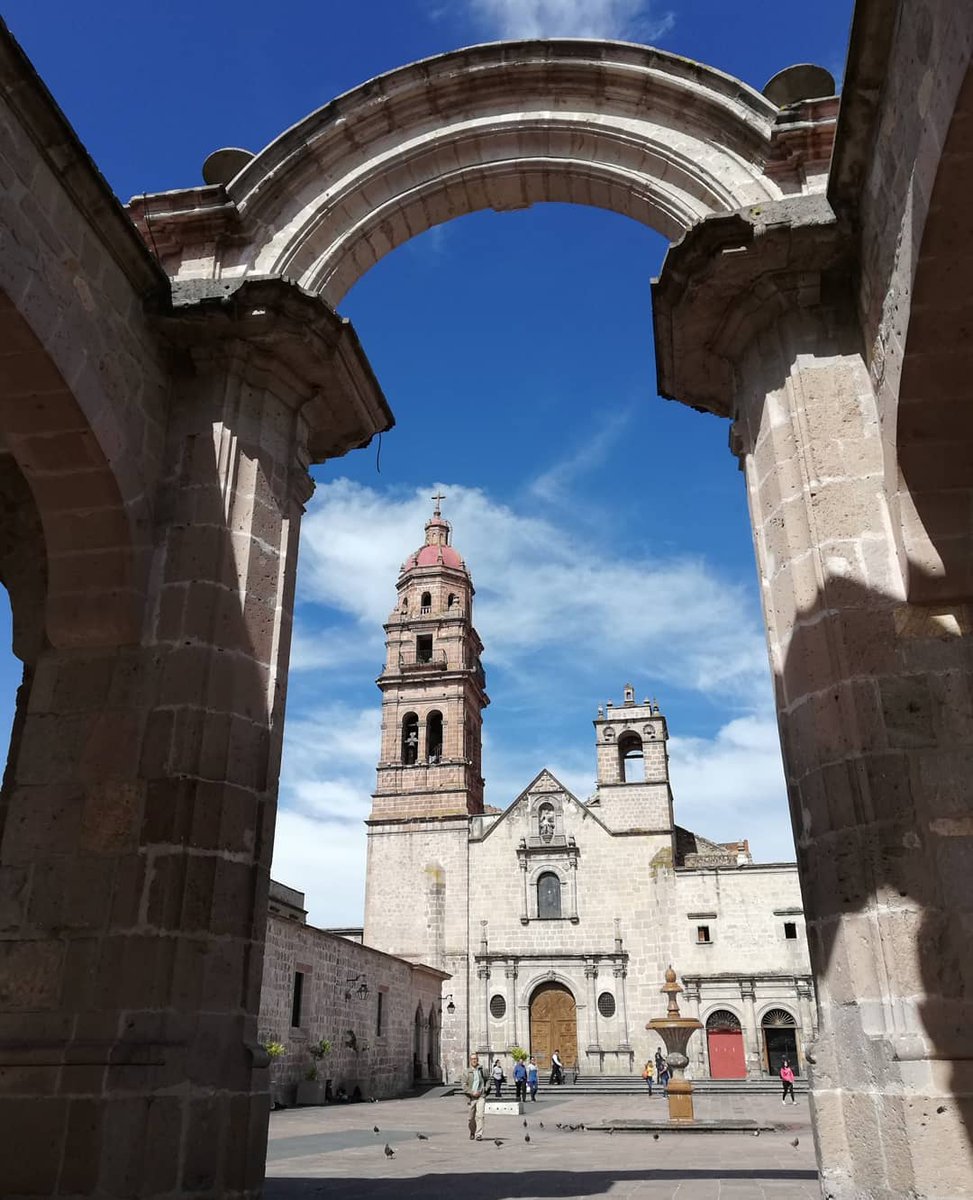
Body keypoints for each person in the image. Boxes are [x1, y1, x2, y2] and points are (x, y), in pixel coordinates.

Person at [463, 1053, 487, 1140]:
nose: (474, 1060)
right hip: (471, 1097)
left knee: (480, 1115)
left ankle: (479, 1134)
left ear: (478, 1060)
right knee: (471, 1118)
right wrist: (471, 1092)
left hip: (481, 1096)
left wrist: (485, 1088)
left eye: (475, 1059)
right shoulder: (466, 1072)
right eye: (472, 1059)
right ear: (470, 1060)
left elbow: (487, 1080)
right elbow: (464, 1085)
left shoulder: (482, 1070)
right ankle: (472, 1131)